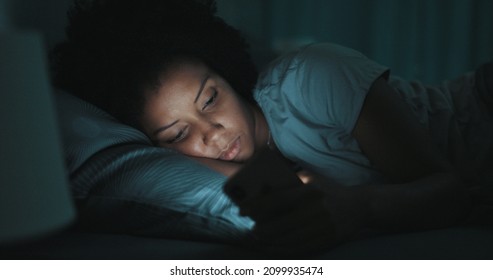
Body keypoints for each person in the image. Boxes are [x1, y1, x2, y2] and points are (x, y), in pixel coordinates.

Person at [51, 0, 493, 252]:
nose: (212, 131)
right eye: (178, 134)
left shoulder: (312, 78)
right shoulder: (231, 173)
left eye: (210, 98)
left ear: (228, 73)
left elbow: (448, 190)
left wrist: (360, 208)